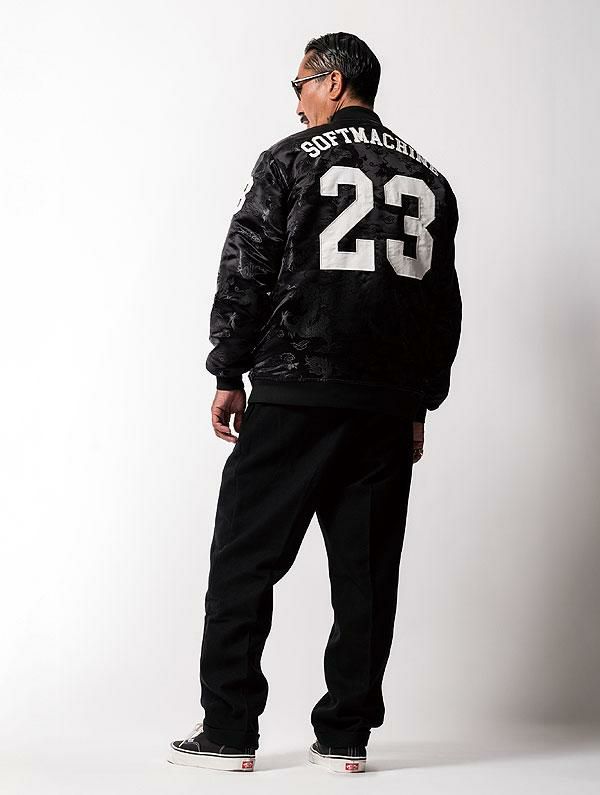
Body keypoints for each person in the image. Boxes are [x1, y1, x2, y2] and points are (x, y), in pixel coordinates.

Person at [168, 31, 462, 774]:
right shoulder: (430, 179)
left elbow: (247, 266)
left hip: (298, 388)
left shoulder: (290, 159)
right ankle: (345, 738)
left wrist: (228, 370)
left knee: (245, 556)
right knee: (366, 574)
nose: (297, 102)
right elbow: (440, 305)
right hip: (385, 405)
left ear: (333, 82)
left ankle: (229, 729)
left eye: (300, 85)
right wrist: (420, 401)